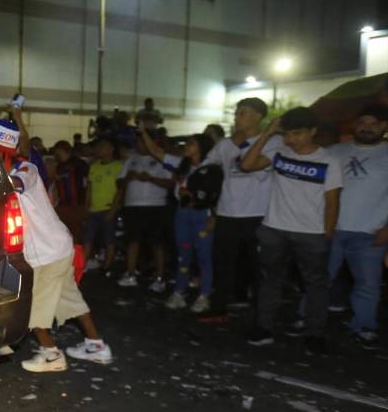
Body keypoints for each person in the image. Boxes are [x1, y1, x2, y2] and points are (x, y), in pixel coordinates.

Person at [0, 104, 113, 374]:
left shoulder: (25, 170)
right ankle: (97, 346)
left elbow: (15, 184)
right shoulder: (17, 167)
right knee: (71, 300)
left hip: (46, 253)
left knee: (32, 307)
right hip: (57, 249)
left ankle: (52, 355)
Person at [240, 107, 343, 352]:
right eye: (287, 134)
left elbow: (332, 201)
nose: (291, 139)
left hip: (311, 233)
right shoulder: (279, 152)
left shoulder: (329, 161)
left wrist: (326, 235)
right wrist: (268, 133)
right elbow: (247, 164)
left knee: (315, 285)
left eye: (298, 134)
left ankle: (314, 334)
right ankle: (264, 328)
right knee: (270, 282)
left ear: (313, 132)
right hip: (274, 229)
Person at [195, 98, 272, 322]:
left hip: (258, 214)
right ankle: (219, 308)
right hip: (227, 212)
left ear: (258, 116)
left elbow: (251, 165)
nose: (237, 118)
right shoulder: (224, 145)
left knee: (257, 267)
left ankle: (261, 313)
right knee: (223, 263)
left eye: (243, 113)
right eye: (237, 113)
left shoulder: (273, 142)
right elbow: (205, 170)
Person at [137, 126, 222, 312]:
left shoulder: (213, 167)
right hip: (182, 214)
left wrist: (214, 217)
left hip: (203, 215)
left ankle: (204, 295)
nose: (186, 146)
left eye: (191, 143)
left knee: (204, 258)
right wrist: (143, 132)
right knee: (183, 254)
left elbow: (219, 195)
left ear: (202, 147)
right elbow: (156, 151)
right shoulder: (182, 165)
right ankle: (179, 292)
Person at [325, 105, 388, 345]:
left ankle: (364, 325)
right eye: (363, 121)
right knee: (320, 279)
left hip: (370, 232)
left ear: (384, 127)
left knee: (368, 284)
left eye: (374, 123)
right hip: (332, 228)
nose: (367, 127)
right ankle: (307, 319)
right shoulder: (334, 151)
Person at [115, 129, 174, 291]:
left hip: (155, 206)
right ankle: (131, 274)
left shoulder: (162, 159)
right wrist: (129, 177)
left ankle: (160, 277)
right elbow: (119, 183)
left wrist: (151, 179)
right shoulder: (131, 159)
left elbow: (171, 183)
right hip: (132, 206)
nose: (140, 144)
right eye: (138, 141)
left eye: (143, 141)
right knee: (133, 241)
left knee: (157, 243)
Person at [83, 138, 122, 273]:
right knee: (88, 238)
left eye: (104, 147)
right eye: (99, 147)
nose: (100, 149)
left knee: (108, 239)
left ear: (111, 149)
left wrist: (113, 209)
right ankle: (82, 265)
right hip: (93, 209)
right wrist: (86, 206)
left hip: (107, 208)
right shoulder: (94, 166)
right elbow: (90, 188)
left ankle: (107, 266)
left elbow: (120, 190)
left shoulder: (118, 166)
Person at [51, 140, 89, 241]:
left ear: (64, 150)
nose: (56, 155)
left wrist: (86, 204)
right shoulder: (58, 167)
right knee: (63, 233)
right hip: (63, 205)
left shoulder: (79, 164)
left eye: (58, 152)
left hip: (77, 205)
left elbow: (87, 184)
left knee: (77, 233)